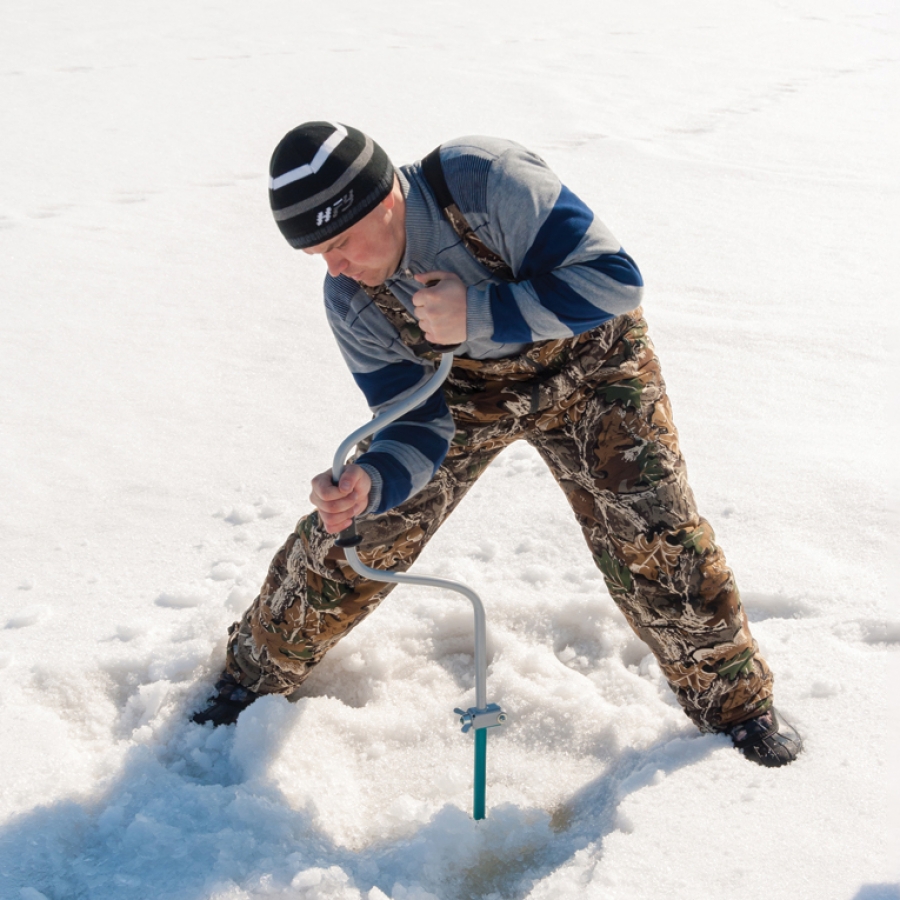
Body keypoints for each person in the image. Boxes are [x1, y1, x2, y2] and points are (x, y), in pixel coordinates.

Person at [192, 121, 802, 767]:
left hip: (594, 366)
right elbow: (413, 422)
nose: (335, 266)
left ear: (387, 200)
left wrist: (478, 313)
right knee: (357, 535)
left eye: (339, 241)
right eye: (316, 254)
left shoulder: (483, 180)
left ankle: (739, 709)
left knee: (655, 534)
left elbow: (615, 280)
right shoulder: (353, 301)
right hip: (460, 397)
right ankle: (251, 679)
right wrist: (373, 480)